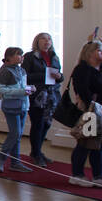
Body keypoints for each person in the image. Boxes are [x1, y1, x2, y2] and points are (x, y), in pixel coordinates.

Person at [68, 39, 102, 189]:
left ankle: (99, 176)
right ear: (90, 53)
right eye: (100, 50)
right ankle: (77, 175)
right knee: (84, 144)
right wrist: (93, 107)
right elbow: (83, 90)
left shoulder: (98, 69)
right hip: (91, 112)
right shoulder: (82, 69)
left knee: (100, 145)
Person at [22, 32, 62, 168]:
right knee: (37, 124)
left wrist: (59, 76)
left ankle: (37, 151)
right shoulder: (30, 57)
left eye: (49, 39)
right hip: (37, 95)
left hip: (52, 95)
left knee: (47, 124)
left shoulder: (54, 56)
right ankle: (36, 153)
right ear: (37, 41)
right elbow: (25, 76)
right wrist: (45, 75)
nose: (47, 41)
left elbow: (59, 75)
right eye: (43, 39)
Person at [0, 47, 35, 172]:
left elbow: (23, 86)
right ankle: (0, 160)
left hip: (23, 105)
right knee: (15, 133)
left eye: (21, 55)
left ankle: (15, 162)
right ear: (9, 57)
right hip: (11, 106)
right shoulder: (5, 71)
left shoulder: (21, 70)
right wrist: (22, 91)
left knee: (18, 135)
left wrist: (29, 89)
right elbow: (0, 89)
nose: (21, 57)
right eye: (18, 54)